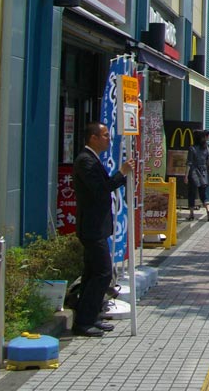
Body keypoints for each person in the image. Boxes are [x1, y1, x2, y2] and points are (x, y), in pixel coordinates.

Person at [72, 122, 133, 337]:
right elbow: (100, 189)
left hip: (97, 226)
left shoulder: (92, 159)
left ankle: (88, 316)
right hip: (91, 227)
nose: (109, 138)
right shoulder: (85, 161)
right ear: (93, 138)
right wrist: (122, 173)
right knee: (103, 272)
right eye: (105, 135)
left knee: (91, 273)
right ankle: (84, 321)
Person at [186, 130, 209, 221]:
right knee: (203, 194)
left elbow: (189, 163)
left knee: (192, 194)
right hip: (204, 172)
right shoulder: (205, 148)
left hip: (194, 172)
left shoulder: (192, 148)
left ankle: (191, 214)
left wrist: (186, 175)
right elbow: (208, 159)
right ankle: (208, 209)